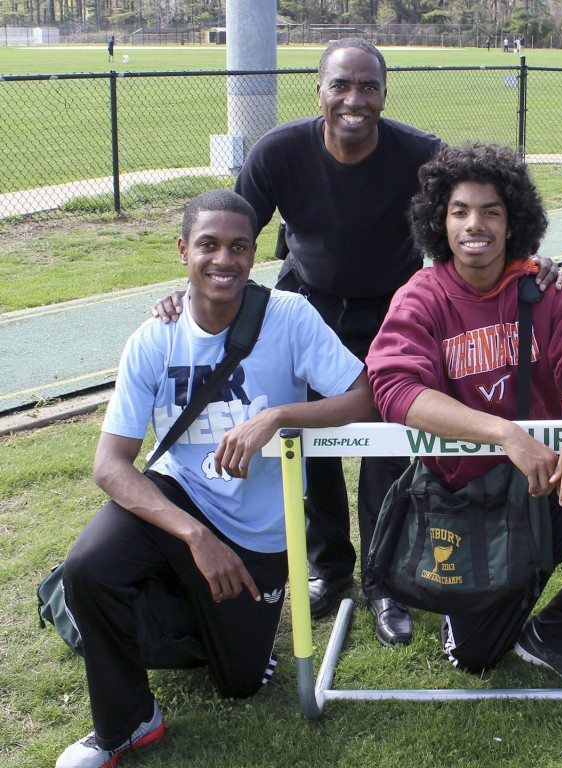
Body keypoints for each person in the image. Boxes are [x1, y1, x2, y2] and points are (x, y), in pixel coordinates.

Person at [150, 39, 562, 646]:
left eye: (368, 86)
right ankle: (328, 567)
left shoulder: (421, 155)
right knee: (310, 440)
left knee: (390, 447)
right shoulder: (278, 153)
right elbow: (227, 234)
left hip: (395, 308)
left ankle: (385, 581)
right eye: (341, 85)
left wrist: (529, 262)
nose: (354, 99)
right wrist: (183, 294)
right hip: (311, 304)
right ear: (318, 90)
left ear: (384, 93)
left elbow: (471, 221)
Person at [56, 190, 376, 768]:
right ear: (183, 251)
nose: (222, 260)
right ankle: (127, 723)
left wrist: (277, 417)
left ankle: (213, 621)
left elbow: (365, 399)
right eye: (207, 245)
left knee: (240, 684)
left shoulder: (289, 316)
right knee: (89, 568)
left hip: (260, 532)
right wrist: (196, 538)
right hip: (181, 496)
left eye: (237, 247)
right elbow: (110, 464)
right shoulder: (156, 335)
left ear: (254, 255)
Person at [367, 143, 562, 688]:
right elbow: (394, 388)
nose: (474, 224)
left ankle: (555, 640)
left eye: (491, 211)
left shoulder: (542, 290)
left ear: (514, 221)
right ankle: (468, 619)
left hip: (544, 482)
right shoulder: (421, 297)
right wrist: (504, 434)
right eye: (459, 211)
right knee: (478, 657)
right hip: (466, 499)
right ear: (441, 219)